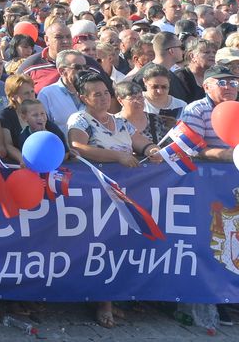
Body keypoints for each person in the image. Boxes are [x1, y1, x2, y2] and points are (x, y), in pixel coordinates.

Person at [65, 71, 159, 329]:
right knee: (102, 247)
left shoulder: (120, 122)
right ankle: (102, 302)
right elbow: (78, 147)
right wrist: (116, 157)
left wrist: (152, 150)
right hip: (97, 195)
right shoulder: (80, 119)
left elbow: (141, 141)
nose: (104, 98)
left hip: (129, 191)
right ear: (84, 97)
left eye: (106, 92)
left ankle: (115, 296)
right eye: (97, 94)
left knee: (123, 245)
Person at [179, 66, 239, 161]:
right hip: (208, 170)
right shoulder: (197, 109)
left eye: (233, 83)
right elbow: (191, 148)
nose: (228, 87)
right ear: (206, 87)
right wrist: (223, 154)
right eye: (221, 83)